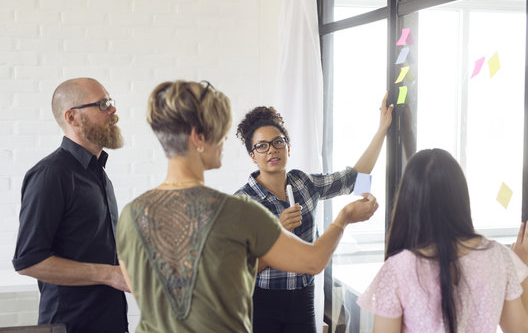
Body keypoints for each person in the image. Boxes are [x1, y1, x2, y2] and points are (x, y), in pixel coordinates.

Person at [115, 80, 380, 333]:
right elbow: (313, 262)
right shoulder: (239, 211)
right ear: (198, 137)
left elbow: (137, 285)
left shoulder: (131, 214)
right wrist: (344, 217)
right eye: (220, 130)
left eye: (277, 143)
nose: (224, 140)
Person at [234, 94, 393, 332]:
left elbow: (355, 179)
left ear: (288, 146)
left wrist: (382, 130)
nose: (271, 150)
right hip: (261, 302)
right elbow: (241, 270)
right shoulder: (243, 203)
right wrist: (277, 232)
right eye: (261, 146)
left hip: (303, 298)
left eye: (278, 142)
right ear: (252, 155)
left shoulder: (304, 183)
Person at [357, 148, 528, 333]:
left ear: (407, 203)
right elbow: (520, 329)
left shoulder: (397, 270)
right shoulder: (499, 257)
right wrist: (522, 267)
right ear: (461, 198)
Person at [12, 78, 129, 333]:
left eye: (111, 103)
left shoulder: (99, 175)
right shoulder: (50, 174)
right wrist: (110, 274)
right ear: (72, 117)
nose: (113, 110)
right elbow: (28, 261)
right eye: (103, 104)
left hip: (110, 322)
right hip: (71, 326)